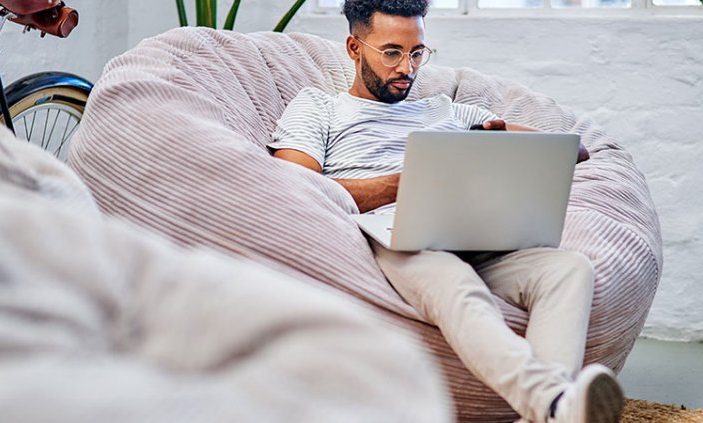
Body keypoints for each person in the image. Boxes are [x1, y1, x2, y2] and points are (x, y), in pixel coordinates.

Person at [267, 1, 623, 422]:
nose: (407, 67)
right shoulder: (319, 108)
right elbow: (295, 186)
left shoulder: (453, 112)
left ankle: (550, 413)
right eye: (392, 52)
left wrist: (499, 143)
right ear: (354, 47)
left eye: (418, 52)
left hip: (471, 232)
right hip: (393, 235)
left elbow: (571, 151)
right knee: (452, 280)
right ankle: (552, 402)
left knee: (568, 269)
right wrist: (402, 185)